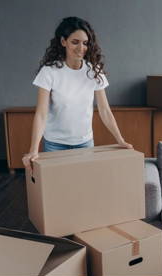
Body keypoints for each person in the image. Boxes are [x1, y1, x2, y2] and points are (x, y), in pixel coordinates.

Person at [22, 17, 132, 171]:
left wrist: (120, 140)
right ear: (63, 42)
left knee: (83, 190)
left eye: (85, 43)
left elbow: (105, 110)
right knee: (59, 190)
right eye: (75, 42)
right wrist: (34, 149)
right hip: (55, 144)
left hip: (85, 144)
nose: (81, 48)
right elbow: (41, 113)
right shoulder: (49, 72)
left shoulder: (94, 71)